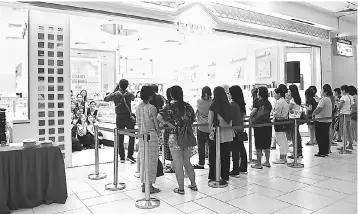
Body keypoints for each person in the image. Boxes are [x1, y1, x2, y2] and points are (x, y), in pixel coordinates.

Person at [158, 85, 197, 195]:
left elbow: (158, 117)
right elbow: (193, 119)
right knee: (187, 162)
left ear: (171, 95)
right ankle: (193, 184)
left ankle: (181, 189)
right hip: (187, 136)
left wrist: (169, 124)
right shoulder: (188, 106)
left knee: (178, 164)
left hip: (174, 136)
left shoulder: (169, 106)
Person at [104, 79, 136, 163]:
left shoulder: (115, 94)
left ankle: (122, 157)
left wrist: (115, 89)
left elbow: (105, 99)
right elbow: (134, 97)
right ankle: (130, 155)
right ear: (127, 85)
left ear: (119, 85)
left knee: (120, 137)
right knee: (132, 136)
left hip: (119, 118)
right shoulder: (129, 94)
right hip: (128, 117)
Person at [136, 86, 161, 193]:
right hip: (151, 137)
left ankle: (143, 184)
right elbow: (156, 125)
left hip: (142, 137)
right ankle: (149, 186)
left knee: (143, 160)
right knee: (151, 161)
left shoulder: (138, 107)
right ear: (151, 95)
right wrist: (159, 132)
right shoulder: (152, 108)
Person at [208, 86, 233, 181]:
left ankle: (214, 176)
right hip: (227, 134)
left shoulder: (213, 105)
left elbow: (210, 121)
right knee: (225, 156)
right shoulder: (228, 104)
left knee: (214, 156)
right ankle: (225, 175)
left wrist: (210, 131)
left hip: (217, 134)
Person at [250, 87, 272, 169]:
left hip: (259, 125)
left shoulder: (257, 102)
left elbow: (253, 113)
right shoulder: (268, 102)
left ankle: (258, 163)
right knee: (267, 144)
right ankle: (267, 161)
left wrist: (251, 115)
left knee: (258, 144)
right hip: (268, 125)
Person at [229, 85, 248, 174]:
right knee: (241, 148)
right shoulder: (241, 104)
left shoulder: (233, 104)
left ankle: (235, 169)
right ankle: (243, 167)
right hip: (240, 127)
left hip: (234, 129)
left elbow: (230, 117)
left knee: (235, 150)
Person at [193, 86, 212, 170]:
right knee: (211, 146)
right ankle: (211, 162)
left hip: (201, 126)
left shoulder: (199, 101)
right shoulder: (212, 101)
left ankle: (201, 163)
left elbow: (197, 112)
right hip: (210, 127)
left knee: (201, 146)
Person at [312, 84, 333, 157]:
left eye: (322, 90)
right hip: (327, 120)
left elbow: (319, 108)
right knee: (325, 136)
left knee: (320, 137)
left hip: (321, 120)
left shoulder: (324, 99)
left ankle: (321, 152)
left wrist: (313, 113)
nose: (321, 91)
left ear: (325, 92)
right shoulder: (329, 99)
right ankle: (325, 151)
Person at [272, 88, 290, 164]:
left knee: (280, 140)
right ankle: (284, 156)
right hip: (284, 121)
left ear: (279, 94)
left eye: (275, 94)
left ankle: (282, 158)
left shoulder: (279, 102)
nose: (274, 95)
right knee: (284, 139)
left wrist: (273, 112)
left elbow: (277, 113)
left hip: (279, 121)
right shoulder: (284, 101)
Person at [288, 84, 303, 159]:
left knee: (294, 136)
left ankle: (296, 152)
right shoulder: (298, 98)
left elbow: (289, 108)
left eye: (289, 90)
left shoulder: (292, 100)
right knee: (297, 135)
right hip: (297, 118)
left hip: (292, 119)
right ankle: (299, 151)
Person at [337, 85, 354, 150]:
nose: (341, 92)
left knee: (343, 130)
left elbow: (339, 106)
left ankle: (344, 145)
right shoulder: (351, 97)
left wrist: (337, 103)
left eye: (341, 90)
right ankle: (350, 144)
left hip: (343, 114)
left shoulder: (344, 97)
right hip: (349, 114)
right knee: (349, 130)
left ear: (343, 90)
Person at [162, 87, 175, 173]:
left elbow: (160, 117)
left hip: (170, 130)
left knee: (171, 148)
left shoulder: (168, 106)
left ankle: (173, 167)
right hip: (180, 130)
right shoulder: (183, 104)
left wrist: (166, 122)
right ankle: (175, 165)